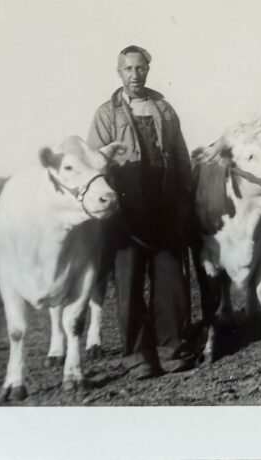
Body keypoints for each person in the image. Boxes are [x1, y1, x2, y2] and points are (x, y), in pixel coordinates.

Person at [88, 45, 196, 378]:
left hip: (164, 211)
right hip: (126, 217)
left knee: (170, 286)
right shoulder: (107, 114)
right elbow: (96, 164)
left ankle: (170, 350)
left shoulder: (163, 108)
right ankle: (136, 357)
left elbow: (180, 157)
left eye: (140, 68)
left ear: (148, 70)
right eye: (128, 69)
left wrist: (184, 200)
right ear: (118, 72)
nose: (135, 75)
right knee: (129, 287)